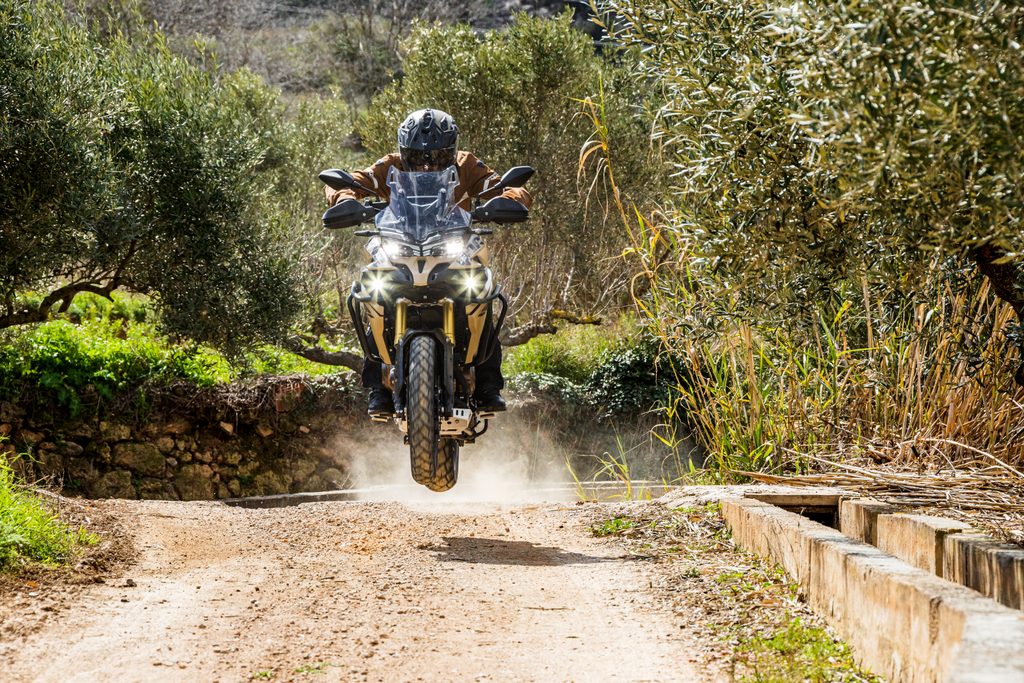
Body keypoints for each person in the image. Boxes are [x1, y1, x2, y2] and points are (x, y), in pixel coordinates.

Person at [325, 109, 531, 416]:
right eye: (417, 157)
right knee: (375, 295)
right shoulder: (388, 165)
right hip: (401, 247)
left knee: (480, 295)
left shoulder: (467, 164)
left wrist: (508, 199)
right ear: (403, 151)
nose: (426, 164)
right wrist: (345, 200)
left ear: (451, 151)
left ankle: (488, 385)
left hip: (453, 248)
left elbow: (505, 186)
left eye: (437, 157)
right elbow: (352, 182)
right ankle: (378, 386)